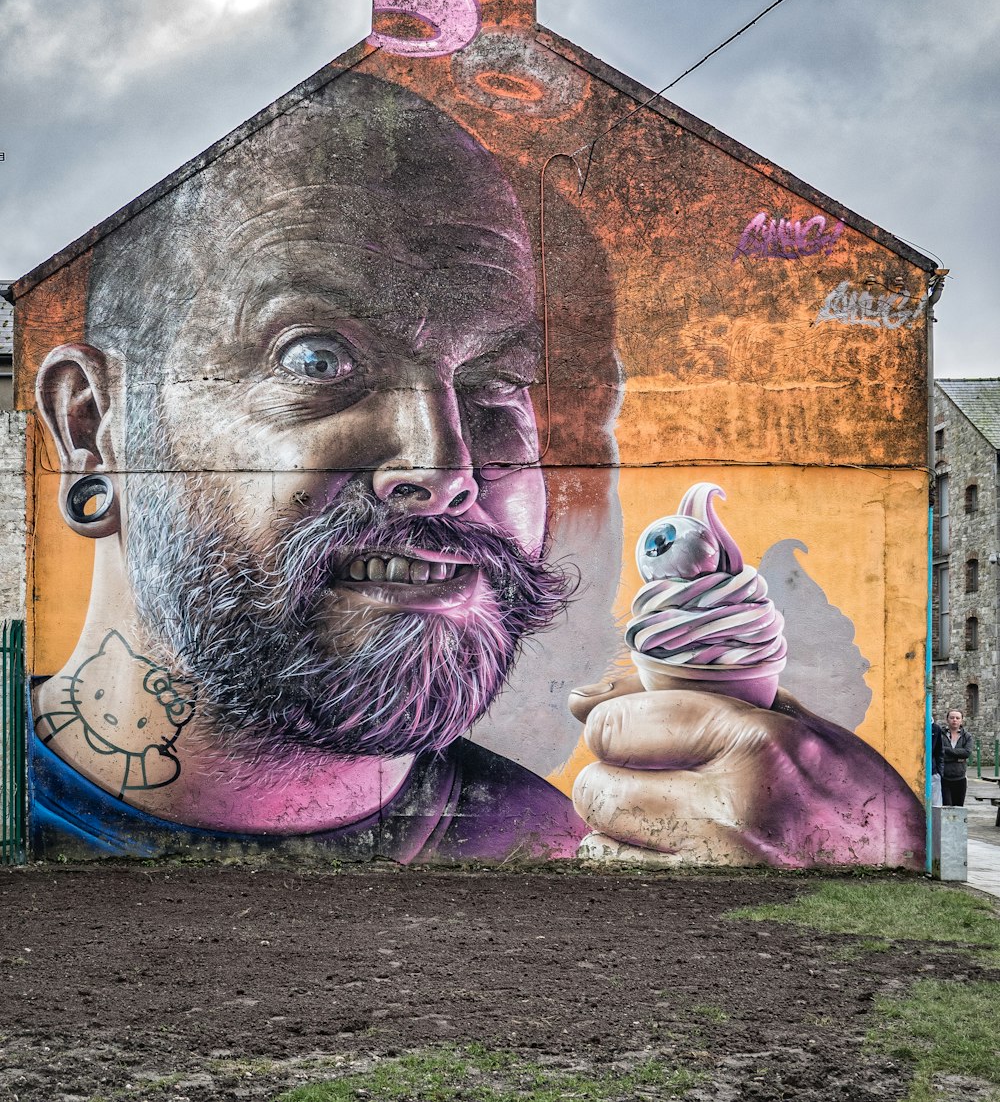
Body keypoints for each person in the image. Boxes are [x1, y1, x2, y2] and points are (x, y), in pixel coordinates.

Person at [28, 71, 924, 867]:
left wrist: (865, 865)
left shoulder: (588, 864)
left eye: (496, 382)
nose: (446, 465)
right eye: (315, 360)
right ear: (91, 430)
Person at [940, 709, 973, 807]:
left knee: (958, 809)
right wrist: (957, 758)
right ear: (947, 720)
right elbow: (938, 752)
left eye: (957, 718)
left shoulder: (967, 736)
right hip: (944, 778)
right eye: (952, 717)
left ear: (961, 720)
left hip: (960, 778)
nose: (954, 720)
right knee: (947, 807)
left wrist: (946, 750)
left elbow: (967, 753)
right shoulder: (940, 735)